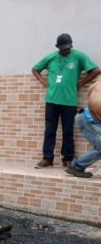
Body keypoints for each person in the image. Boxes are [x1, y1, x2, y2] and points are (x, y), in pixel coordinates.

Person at [32, 33, 100, 169]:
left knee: (68, 131)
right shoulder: (50, 57)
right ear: (58, 47)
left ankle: (67, 159)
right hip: (51, 100)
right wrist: (43, 81)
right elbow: (35, 69)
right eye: (64, 48)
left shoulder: (78, 56)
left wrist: (80, 83)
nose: (66, 50)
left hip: (69, 102)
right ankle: (47, 158)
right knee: (49, 130)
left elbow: (96, 70)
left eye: (68, 48)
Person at [65, 80, 101, 178]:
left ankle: (77, 166)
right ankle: (76, 167)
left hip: (88, 119)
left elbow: (91, 89)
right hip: (86, 120)